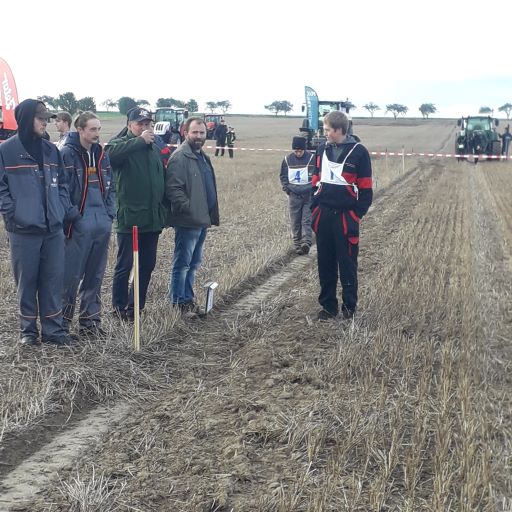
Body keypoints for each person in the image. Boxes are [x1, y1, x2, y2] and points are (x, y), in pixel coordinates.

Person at [0, 99, 77, 345]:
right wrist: (14, 213)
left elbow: (63, 184)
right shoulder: (6, 151)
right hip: (23, 230)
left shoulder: (51, 150)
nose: (46, 123)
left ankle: (53, 331)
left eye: (47, 118)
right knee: (26, 282)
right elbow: (1, 189)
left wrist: (61, 210)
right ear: (26, 119)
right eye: (41, 118)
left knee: (53, 280)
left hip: (53, 229)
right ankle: (28, 332)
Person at [106, 108, 167, 321]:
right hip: (130, 219)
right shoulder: (121, 144)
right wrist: (139, 141)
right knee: (125, 265)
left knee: (147, 265)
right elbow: (109, 156)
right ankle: (119, 307)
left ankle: (135, 307)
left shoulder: (155, 147)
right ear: (129, 125)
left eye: (147, 124)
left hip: (152, 218)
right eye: (140, 124)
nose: (144, 128)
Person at [311, 111, 373, 321]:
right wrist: (315, 210)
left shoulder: (359, 152)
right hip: (323, 215)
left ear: (339, 130)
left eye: (327, 129)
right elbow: (315, 180)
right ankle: (328, 307)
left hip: (346, 217)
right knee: (325, 264)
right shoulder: (321, 150)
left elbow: (366, 189)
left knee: (347, 265)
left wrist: (356, 214)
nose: (324, 133)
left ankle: (349, 308)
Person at [60, 112, 115, 337]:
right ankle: (61, 325)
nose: (97, 133)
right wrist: (74, 215)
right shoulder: (66, 154)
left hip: (101, 223)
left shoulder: (101, 154)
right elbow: (61, 189)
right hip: (78, 225)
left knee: (95, 275)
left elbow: (112, 186)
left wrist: (109, 213)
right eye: (92, 129)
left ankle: (90, 323)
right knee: (70, 276)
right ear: (80, 130)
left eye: (98, 129)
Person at [166, 117, 219, 311]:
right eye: (194, 132)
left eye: (201, 132)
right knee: (182, 264)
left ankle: (187, 299)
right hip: (188, 220)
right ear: (185, 133)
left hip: (202, 219)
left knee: (194, 263)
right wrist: (189, 208)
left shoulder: (202, 157)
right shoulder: (180, 157)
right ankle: (178, 302)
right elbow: (173, 189)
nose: (198, 136)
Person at [280, 136, 315, 255]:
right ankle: (297, 244)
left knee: (306, 220)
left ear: (304, 149)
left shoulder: (312, 159)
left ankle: (306, 242)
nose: (298, 153)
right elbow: (283, 176)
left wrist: (313, 189)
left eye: (300, 151)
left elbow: (317, 175)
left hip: (308, 195)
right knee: (295, 221)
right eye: (296, 151)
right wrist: (287, 189)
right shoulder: (287, 160)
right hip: (294, 195)